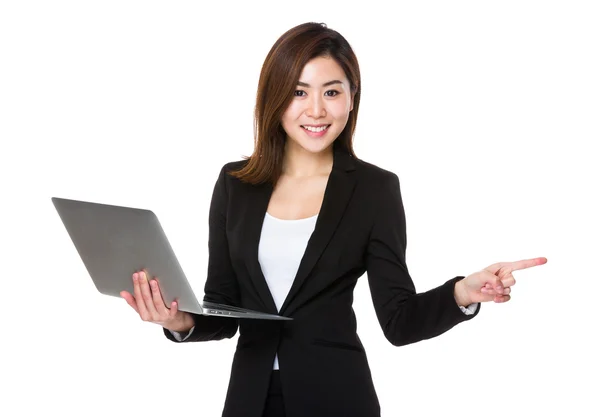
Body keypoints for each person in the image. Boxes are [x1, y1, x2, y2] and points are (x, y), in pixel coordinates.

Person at [120, 22, 547, 417]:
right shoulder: (236, 183)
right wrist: (176, 321)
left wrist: (462, 293)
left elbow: (399, 320)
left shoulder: (374, 190)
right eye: (299, 92)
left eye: (331, 91)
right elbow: (224, 307)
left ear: (351, 97)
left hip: (338, 398)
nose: (317, 111)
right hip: (249, 400)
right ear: (274, 97)